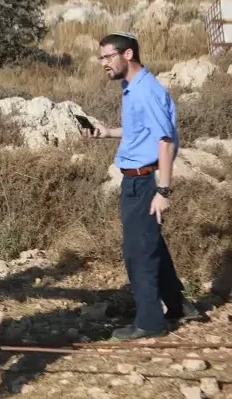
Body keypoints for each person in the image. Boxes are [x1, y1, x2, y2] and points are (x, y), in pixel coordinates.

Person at [81, 31, 202, 341]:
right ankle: (178, 306)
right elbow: (141, 129)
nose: (103, 63)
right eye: (101, 57)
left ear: (128, 55)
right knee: (150, 244)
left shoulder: (146, 90)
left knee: (139, 253)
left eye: (108, 56)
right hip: (136, 179)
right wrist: (107, 132)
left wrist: (163, 191)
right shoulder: (132, 87)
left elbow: (165, 140)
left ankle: (149, 322)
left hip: (146, 182)